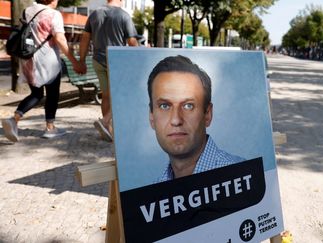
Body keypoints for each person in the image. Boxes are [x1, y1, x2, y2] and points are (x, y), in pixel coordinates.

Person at [147, 55, 245, 181]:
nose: (176, 120)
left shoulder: (241, 176)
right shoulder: (154, 193)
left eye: (188, 106)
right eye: (164, 106)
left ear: (208, 114)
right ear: (151, 117)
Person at [1, 0, 82, 142]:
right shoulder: (54, 14)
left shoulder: (27, 10)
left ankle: (14, 119)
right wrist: (74, 61)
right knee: (52, 93)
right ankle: (50, 128)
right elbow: (59, 38)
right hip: (48, 60)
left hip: (28, 58)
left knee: (37, 93)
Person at [79, 0, 138, 142]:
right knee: (122, 96)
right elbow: (131, 42)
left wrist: (81, 61)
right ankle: (106, 122)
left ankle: (108, 130)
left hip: (98, 60)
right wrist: (139, 56)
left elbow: (85, 39)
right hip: (117, 61)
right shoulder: (123, 16)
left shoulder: (94, 14)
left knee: (106, 95)